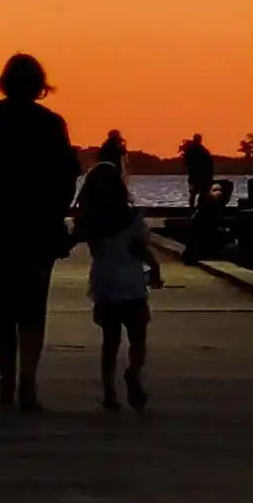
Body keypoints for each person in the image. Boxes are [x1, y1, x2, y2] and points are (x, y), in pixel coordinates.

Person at [0, 53, 81, 411]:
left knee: (3, 303)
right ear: (39, 85)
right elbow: (67, 175)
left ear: (4, 82)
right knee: (33, 306)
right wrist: (57, 212)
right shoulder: (51, 123)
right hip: (39, 226)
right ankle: (28, 381)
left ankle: (7, 379)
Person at [74, 159, 163, 411]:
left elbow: (73, 239)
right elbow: (140, 248)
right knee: (138, 337)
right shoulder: (132, 217)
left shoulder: (89, 220)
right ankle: (133, 372)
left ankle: (109, 392)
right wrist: (154, 268)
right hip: (132, 284)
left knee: (110, 342)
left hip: (105, 284)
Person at [181, 132, 215, 211]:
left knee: (196, 193)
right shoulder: (202, 151)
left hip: (198, 176)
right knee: (197, 193)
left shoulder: (199, 150)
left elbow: (186, 162)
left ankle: (195, 208)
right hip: (198, 176)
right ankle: (196, 208)